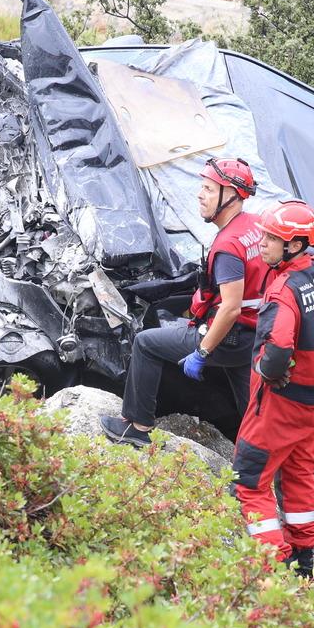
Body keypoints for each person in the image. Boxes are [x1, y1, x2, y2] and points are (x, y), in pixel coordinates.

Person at [231, 200, 314, 578]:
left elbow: (275, 352)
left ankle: (275, 568)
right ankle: (304, 560)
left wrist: (265, 369)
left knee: (249, 483)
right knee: (299, 472)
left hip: (280, 405)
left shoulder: (282, 293)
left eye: (272, 239)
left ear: (293, 245)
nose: (263, 244)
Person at [101, 158, 269, 448]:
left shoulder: (228, 245)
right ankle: (262, 467)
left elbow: (230, 307)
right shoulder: (255, 226)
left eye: (207, 188)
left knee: (145, 344)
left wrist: (202, 351)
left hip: (226, 334)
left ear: (229, 195)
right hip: (251, 335)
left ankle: (137, 426)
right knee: (252, 408)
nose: (199, 194)